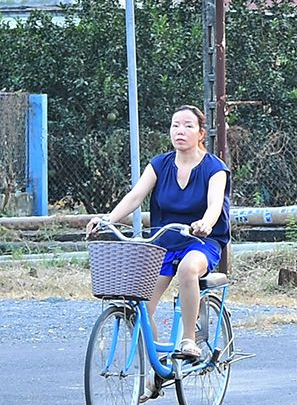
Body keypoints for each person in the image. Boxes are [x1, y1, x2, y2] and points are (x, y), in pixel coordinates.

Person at [92, 104, 231, 364]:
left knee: (188, 269)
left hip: (201, 241)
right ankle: (157, 367)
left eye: (188, 126)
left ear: (201, 133)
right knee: (142, 305)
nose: (180, 131)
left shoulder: (215, 168)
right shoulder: (159, 164)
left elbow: (214, 205)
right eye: (175, 125)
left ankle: (188, 340)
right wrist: (106, 220)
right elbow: (135, 196)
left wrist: (205, 224)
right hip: (163, 243)